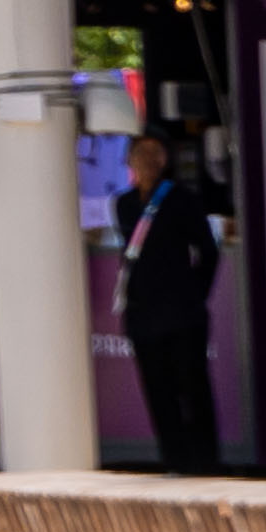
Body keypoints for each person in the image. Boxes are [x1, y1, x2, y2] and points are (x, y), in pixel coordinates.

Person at [113, 129, 223, 476]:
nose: (146, 163)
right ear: (130, 162)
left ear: (164, 161)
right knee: (157, 388)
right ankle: (173, 458)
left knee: (191, 386)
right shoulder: (125, 204)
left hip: (182, 314)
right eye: (139, 156)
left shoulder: (181, 199)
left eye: (153, 156)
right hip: (143, 313)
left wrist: (194, 293)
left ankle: (205, 460)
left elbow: (208, 250)